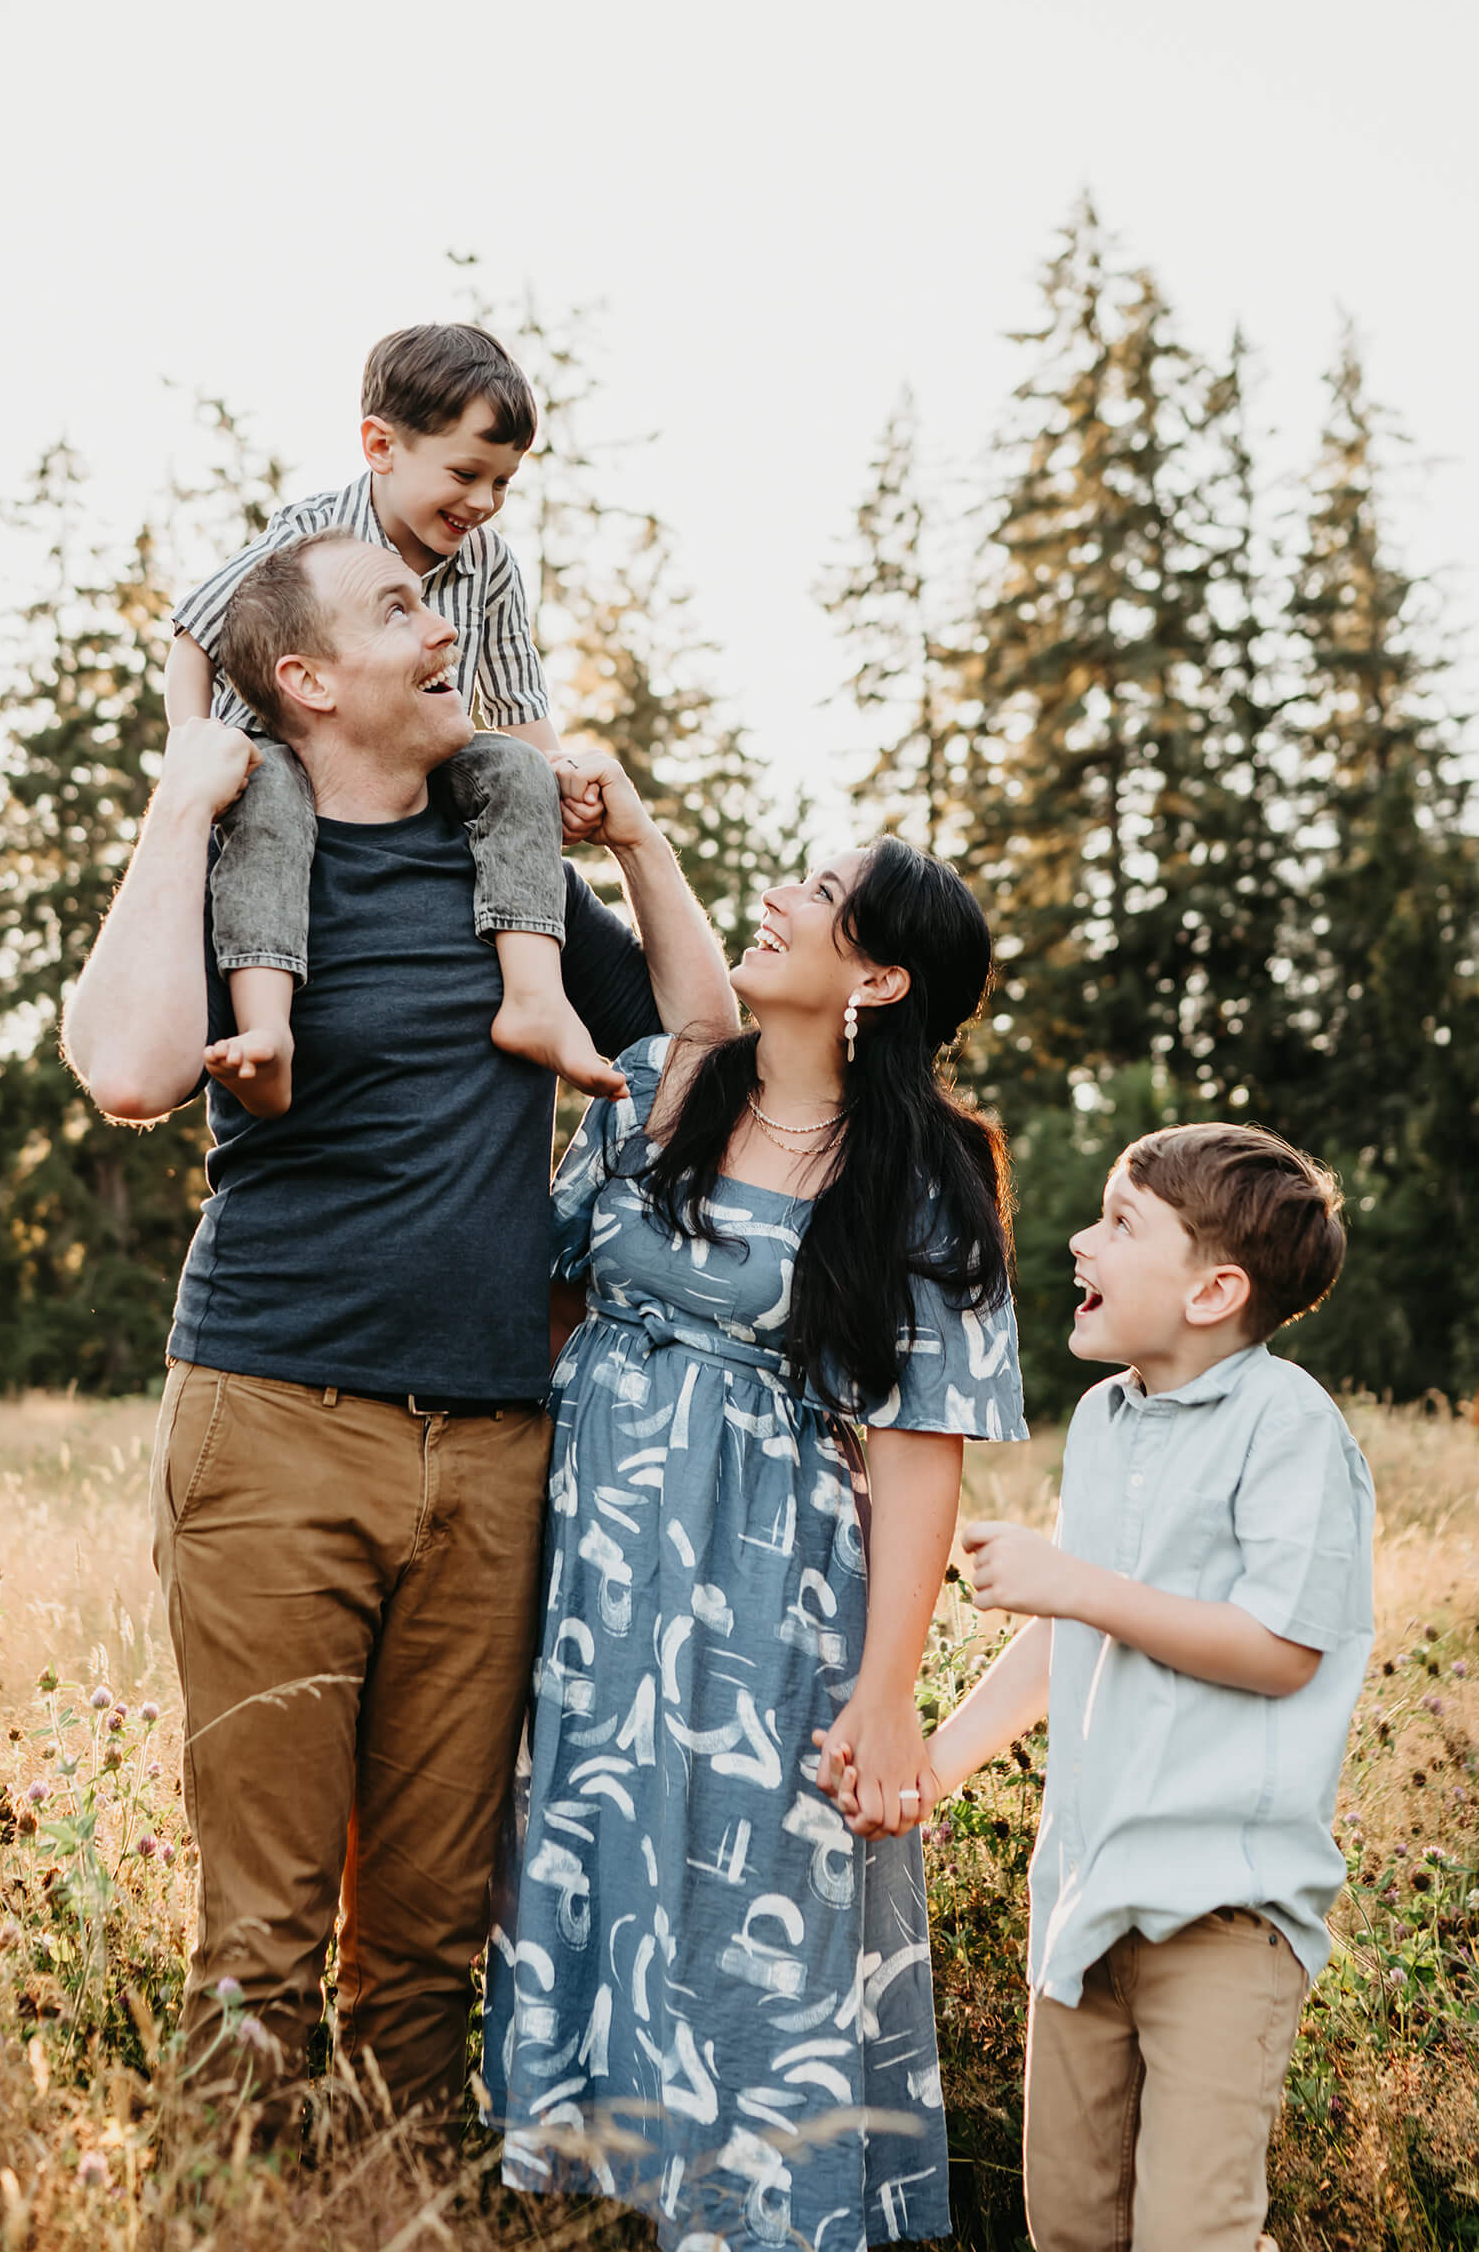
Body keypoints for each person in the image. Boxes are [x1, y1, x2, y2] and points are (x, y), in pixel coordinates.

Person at [63, 526, 740, 2124]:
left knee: (435, 1931)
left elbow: (702, 1037)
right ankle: (229, 2223)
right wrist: (180, 797)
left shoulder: (506, 871)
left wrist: (635, 842)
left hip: (499, 1443)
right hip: (275, 1424)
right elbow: (131, 1073)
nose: (448, 628)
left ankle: (393, 2213)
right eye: (399, 611)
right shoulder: (243, 862)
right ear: (303, 683)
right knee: (267, 1930)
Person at [483, 837, 1025, 2252]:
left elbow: (919, 1454)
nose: (779, 899)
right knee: (581, 1857)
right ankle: (589, 2202)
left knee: (751, 1903)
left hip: (769, 1590)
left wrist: (886, 1691)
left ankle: (756, 2219)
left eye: (821, 896)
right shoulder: (655, 1084)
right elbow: (546, 1309)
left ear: (880, 975)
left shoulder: (925, 1169)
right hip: (588, 1565)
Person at [897, 1123, 1374, 2252]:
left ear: (1213, 1289)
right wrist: (939, 1764)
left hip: (1222, 1910)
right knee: (1071, 2226)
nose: (1077, 1240)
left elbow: (1279, 1646)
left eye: (1119, 1222)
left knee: (1189, 2233)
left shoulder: (1289, 1425)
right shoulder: (1108, 1424)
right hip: (1083, 1898)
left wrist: (1076, 1583)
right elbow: (1077, 1636)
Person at [165, 320, 618, 1117]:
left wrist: (559, 779)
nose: (483, 502)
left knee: (514, 772)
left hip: (415, 764)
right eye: (466, 472)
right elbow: (197, 632)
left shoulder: (488, 563)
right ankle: (267, 1031)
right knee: (270, 800)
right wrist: (192, 748)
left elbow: (516, 708)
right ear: (381, 446)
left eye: (504, 482)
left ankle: (535, 998)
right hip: (285, 755)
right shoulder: (311, 535)